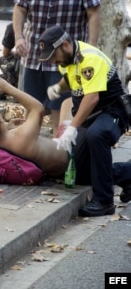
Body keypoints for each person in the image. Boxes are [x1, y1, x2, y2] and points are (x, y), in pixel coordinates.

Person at [13, 0, 101, 136]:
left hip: (64, 63)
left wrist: (91, 50)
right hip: (33, 57)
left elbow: (94, 14)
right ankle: (30, 161)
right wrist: (18, 37)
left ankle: (59, 161)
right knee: (32, 111)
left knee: (60, 114)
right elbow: (19, 7)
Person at [38, 24, 131, 216]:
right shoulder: (67, 58)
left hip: (112, 112)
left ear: (64, 45)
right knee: (79, 174)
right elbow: (71, 78)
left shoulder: (89, 58)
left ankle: (105, 202)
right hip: (90, 116)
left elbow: (92, 98)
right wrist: (57, 88)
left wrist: (71, 127)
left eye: (53, 55)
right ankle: (128, 175)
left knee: (96, 136)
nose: (53, 61)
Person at [0, 77, 69, 178]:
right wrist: (7, 88)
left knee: (66, 105)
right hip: (68, 155)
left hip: (53, 166)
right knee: (68, 102)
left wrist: (8, 126)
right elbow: (37, 108)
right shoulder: (21, 135)